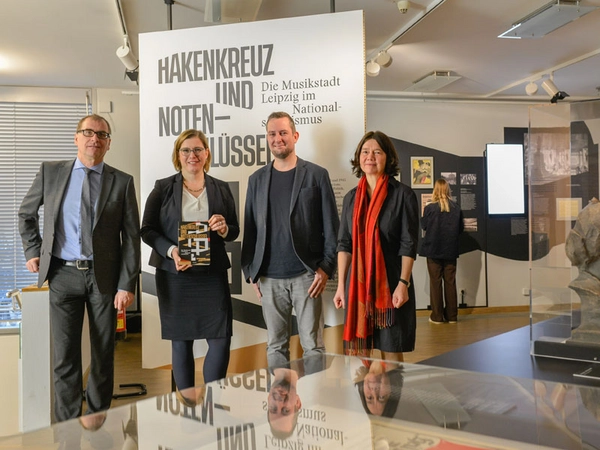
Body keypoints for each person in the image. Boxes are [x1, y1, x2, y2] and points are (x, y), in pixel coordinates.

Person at [18, 114, 141, 422]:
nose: (94, 139)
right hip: (63, 275)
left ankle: (99, 420)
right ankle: (67, 427)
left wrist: (127, 284)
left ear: (108, 143)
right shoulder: (51, 172)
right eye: (88, 132)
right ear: (76, 138)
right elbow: (26, 213)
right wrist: (33, 250)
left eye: (102, 135)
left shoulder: (122, 182)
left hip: (105, 279)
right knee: (65, 357)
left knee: (103, 355)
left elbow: (131, 237)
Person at [141, 129, 239, 394]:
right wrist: (172, 250)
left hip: (211, 275)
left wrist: (224, 229)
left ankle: (214, 401)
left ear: (206, 154)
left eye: (198, 150)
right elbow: (147, 229)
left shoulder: (220, 188)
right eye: (186, 150)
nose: (192, 155)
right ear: (178, 155)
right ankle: (187, 408)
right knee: (181, 342)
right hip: (175, 276)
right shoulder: (163, 187)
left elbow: (235, 228)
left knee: (220, 339)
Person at [241, 111, 339, 368]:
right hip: (269, 278)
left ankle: (312, 398)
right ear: (267, 138)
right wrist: (251, 271)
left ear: (295, 136)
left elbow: (331, 226)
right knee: (275, 345)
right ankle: (281, 406)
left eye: (283, 132)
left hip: (307, 276)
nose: (278, 138)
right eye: (272, 134)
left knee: (313, 346)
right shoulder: (257, 180)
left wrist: (326, 268)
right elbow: (250, 228)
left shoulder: (316, 175)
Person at [334, 131, 419, 362]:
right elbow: (344, 243)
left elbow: (408, 244)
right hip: (358, 288)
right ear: (358, 158)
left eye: (377, 152)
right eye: (365, 152)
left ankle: (393, 399)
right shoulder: (352, 198)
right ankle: (366, 399)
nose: (370, 156)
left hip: (391, 285)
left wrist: (403, 283)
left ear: (387, 158)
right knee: (363, 362)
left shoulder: (403, 195)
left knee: (391, 355)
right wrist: (341, 285)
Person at [420, 178, 463, 324]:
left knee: (435, 282)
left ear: (435, 190)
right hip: (450, 250)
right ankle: (452, 316)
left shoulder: (430, 208)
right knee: (450, 282)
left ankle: (437, 316)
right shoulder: (456, 208)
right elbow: (460, 229)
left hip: (433, 250)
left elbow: (424, 226)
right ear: (447, 189)